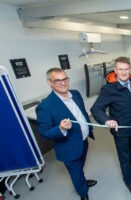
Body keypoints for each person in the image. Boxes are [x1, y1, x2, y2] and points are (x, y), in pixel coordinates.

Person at [36, 68, 97, 200]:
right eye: (58, 80)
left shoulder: (75, 93)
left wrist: (88, 128)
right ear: (49, 82)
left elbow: (83, 113)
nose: (63, 83)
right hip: (68, 147)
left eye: (65, 79)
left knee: (80, 167)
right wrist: (61, 128)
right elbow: (44, 133)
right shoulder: (45, 106)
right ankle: (82, 192)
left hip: (83, 140)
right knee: (75, 172)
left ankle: (82, 181)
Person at [90, 57, 131, 196]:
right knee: (124, 156)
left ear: (130, 69)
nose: (124, 72)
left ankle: (130, 169)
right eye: (120, 69)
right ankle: (128, 181)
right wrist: (106, 120)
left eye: (126, 69)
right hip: (121, 132)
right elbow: (96, 109)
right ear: (115, 70)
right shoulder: (109, 89)